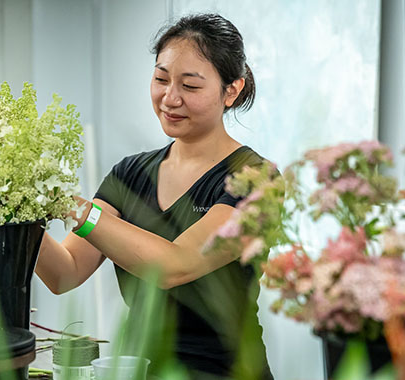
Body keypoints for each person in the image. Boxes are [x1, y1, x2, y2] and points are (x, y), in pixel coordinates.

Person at [36, 13, 273, 380]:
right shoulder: (130, 173)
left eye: (190, 87)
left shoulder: (255, 178)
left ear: (232, 90)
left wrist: (78, 211)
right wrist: (23, 210)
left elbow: (174, 266)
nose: (169, 98)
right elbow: (65, 273)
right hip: (141, 368)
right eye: (161, 79)